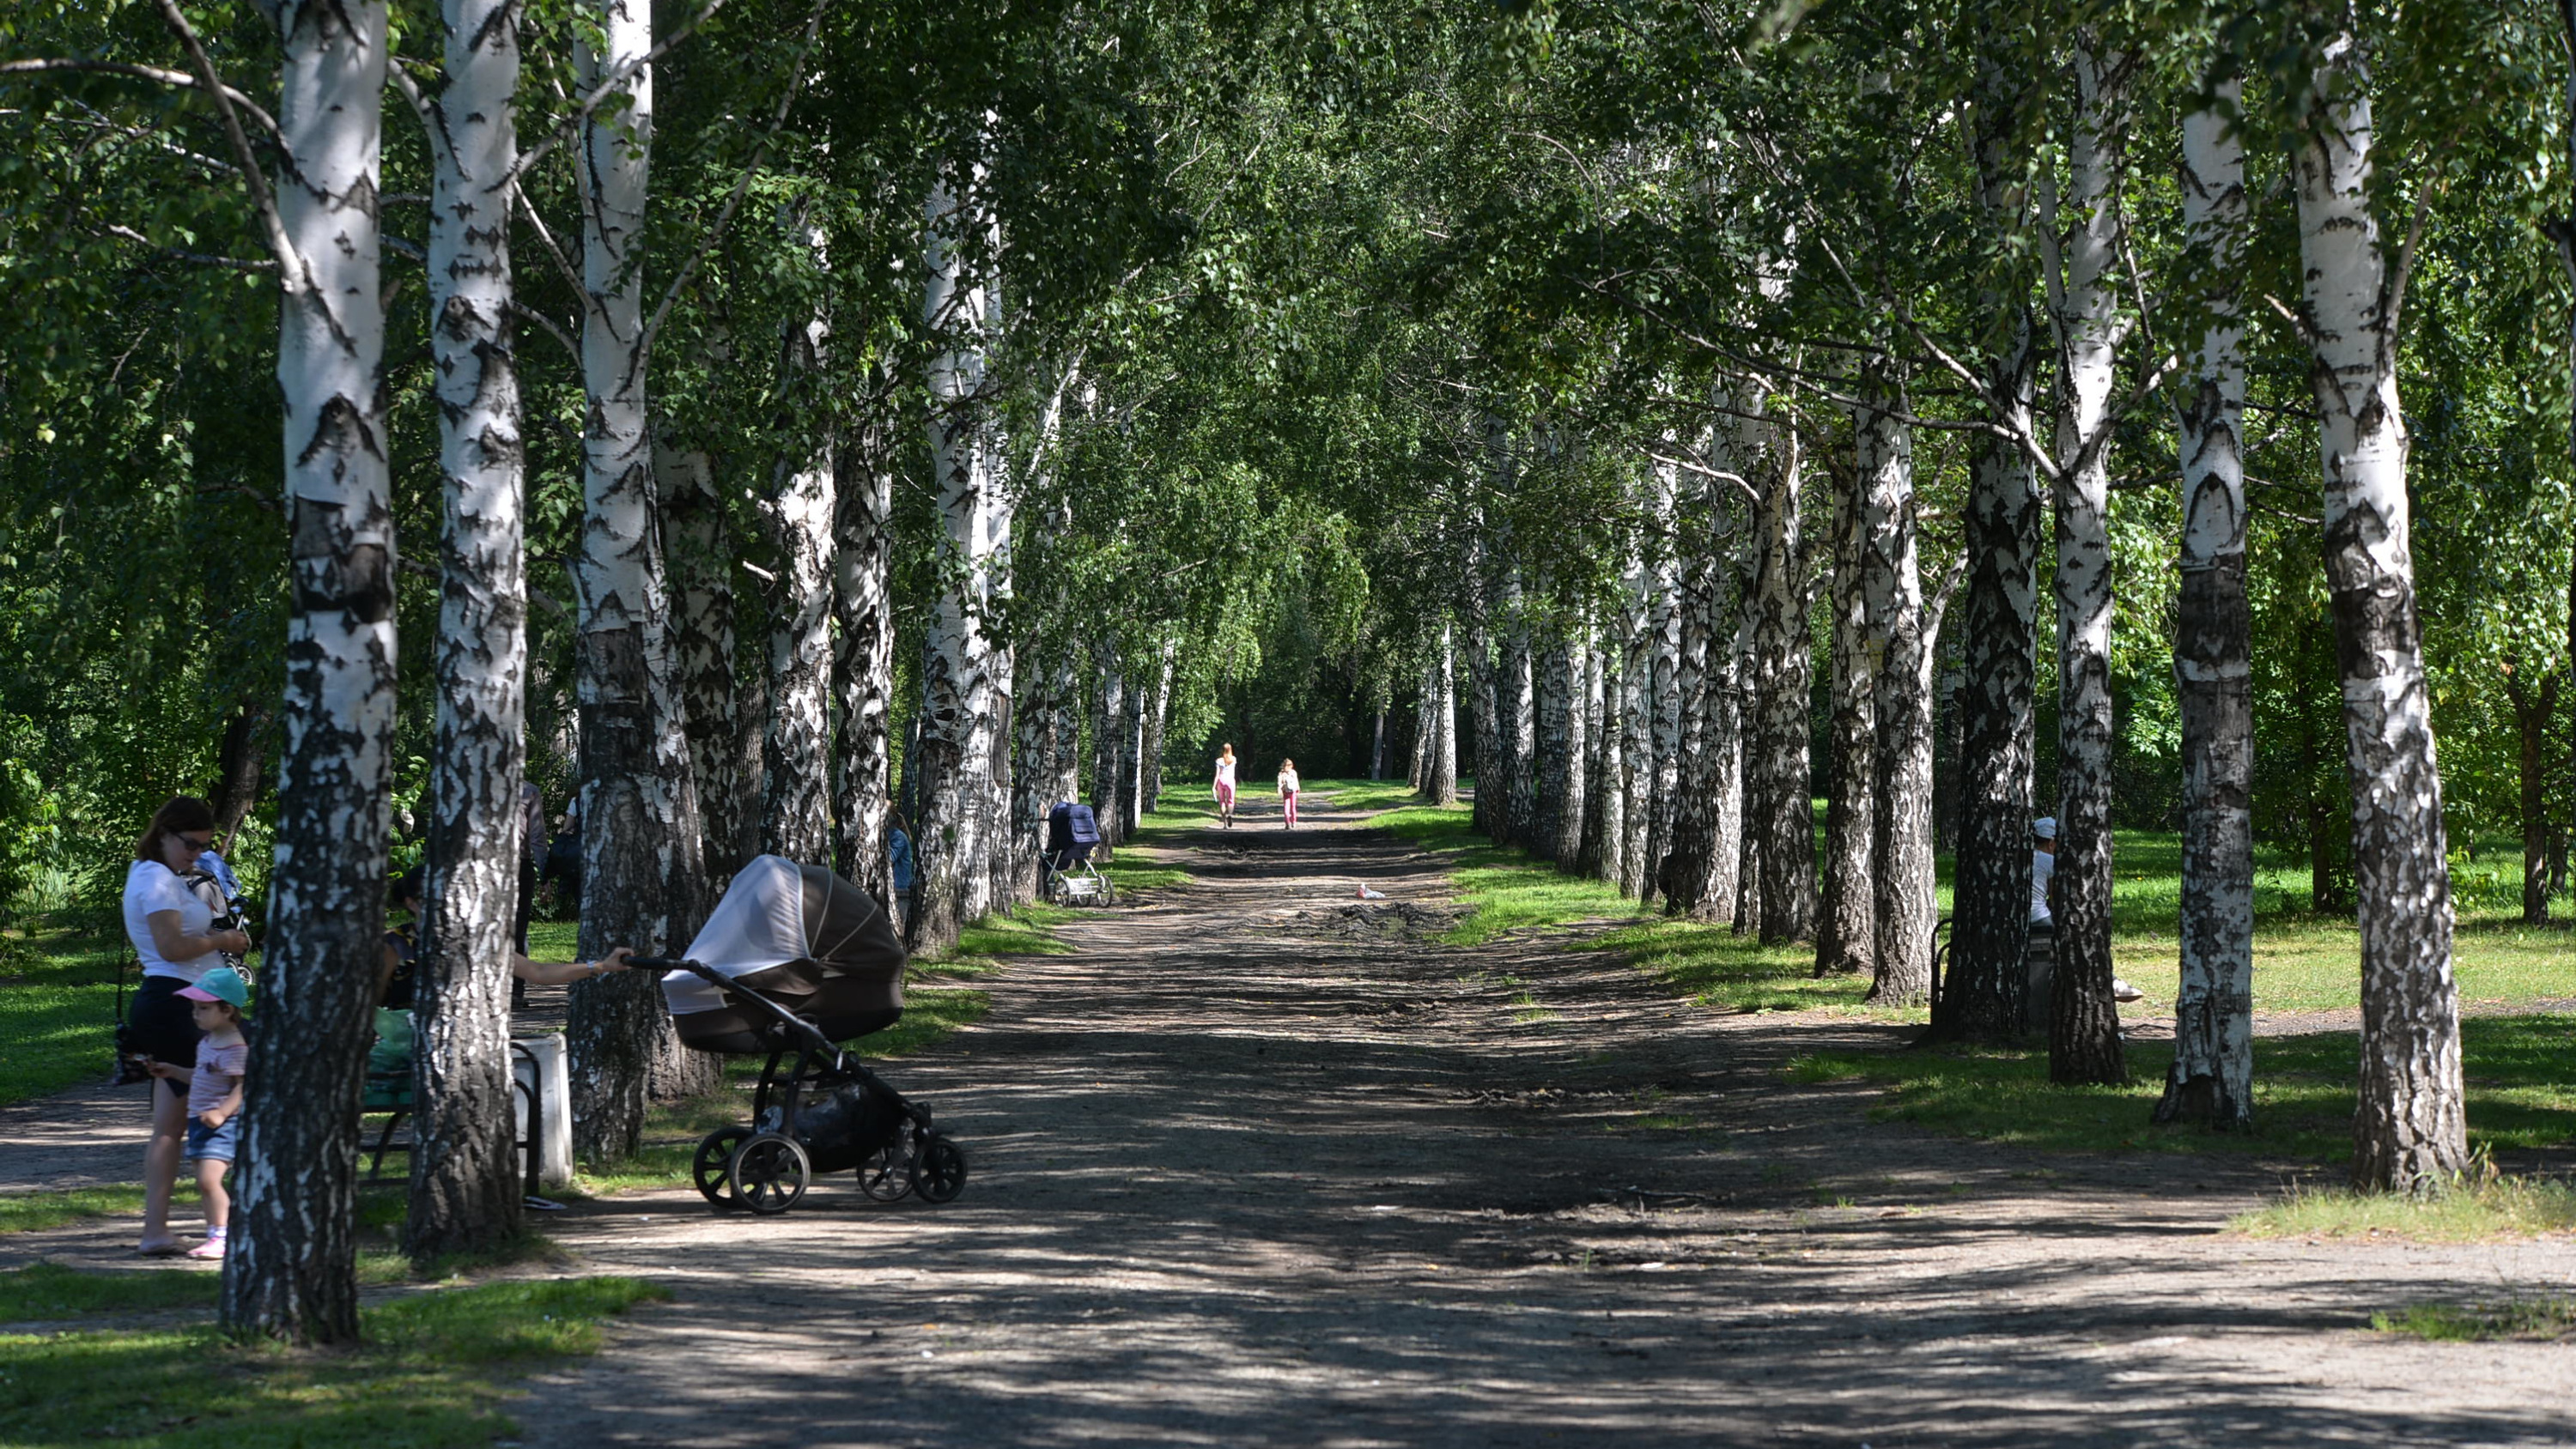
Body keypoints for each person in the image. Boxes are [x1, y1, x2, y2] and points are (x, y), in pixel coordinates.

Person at [122, 797, 253, 1256]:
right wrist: (223, 939)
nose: (196, 854)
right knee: (241, 1083)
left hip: (174, 1002)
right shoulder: (156, 878)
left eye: (203, 847)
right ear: (164, 833)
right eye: (191, 844)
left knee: (167, 1129)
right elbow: (172, 947)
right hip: (179, 1004)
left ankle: (156, 1230)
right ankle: (226, 1224)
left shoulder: (154, 875)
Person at [383, 868, 635, 1007]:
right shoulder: (393, 944)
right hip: (398, 1049)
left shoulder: (475, 940)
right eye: (432, 899)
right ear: (411, 903)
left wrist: (602, 966)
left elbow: (539, 973)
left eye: (452, 896)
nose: (445, 905)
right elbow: (368, 1004)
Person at [143, 964, 250, 1260]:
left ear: (227, 1010)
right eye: (194, 1008)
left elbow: (243, 1087)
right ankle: (216, 1232)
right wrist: (173, 1071)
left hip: (222, 1123)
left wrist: (221, 1113)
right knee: (204, 1182)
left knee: (208, 1180)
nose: (195, 1014)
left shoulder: (234, 1047)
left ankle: (223, 1236)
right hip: (201, 1121)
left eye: (203, 1009)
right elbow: (202, 1078)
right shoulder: (208, 1042)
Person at [2032, 818, 2143, 1005]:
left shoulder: (2019, 857)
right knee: (2084, 937)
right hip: (2037, 918)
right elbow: (2056, 900)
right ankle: (2110, 982)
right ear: (2052, 843)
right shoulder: (2049, 860)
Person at [1212, 744, 1238, 828]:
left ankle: (1224, 824)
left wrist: (1214, 786)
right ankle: (1230, 815)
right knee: (1231, 801)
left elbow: (1217, 774)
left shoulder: (1219, 760)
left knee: (1222, 802)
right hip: (1230, 781)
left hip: (1221, 780)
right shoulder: (1234, 759)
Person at [1276, 757, 1301, 829]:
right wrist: (1298, 788)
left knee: (1287, 808)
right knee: (1292, 807)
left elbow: (1279, 783)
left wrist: (1279, 789)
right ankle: (1292, 822)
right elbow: (1296, 781)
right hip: (1292, 792)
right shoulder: (1293, 772)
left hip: (1287, 792)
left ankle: (1289, 823)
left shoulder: (1282, 773)